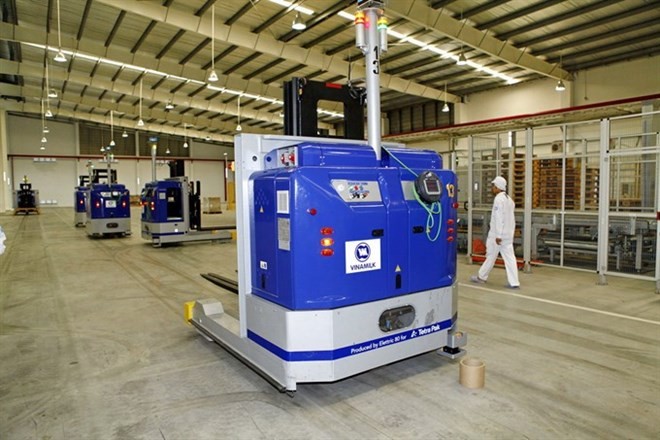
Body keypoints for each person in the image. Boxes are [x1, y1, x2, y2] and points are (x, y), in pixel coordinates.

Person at [470, 176, 520, 288]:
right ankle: (514, 282)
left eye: (494, 186)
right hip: (507, 235)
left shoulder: (498, 199)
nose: (492, 188)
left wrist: (498, 236)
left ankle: (482, 277)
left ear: (498, 187)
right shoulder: (509, 200)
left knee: (491, 255)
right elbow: (511, 219)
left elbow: (499, 218)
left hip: (498, 236)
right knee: (509, 258)